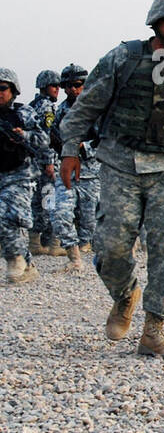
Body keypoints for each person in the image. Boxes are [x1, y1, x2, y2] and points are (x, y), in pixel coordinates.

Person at [57, 0, 164, 357]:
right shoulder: (123, 58)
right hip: (120, 163)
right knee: (111, 247)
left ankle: (154, 330)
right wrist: (70, 149)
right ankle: (125, 294)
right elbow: (87, 107)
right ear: (155, 24)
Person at [48, 63, 96, 272]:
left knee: (91, 221)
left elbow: (107, 138)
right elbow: (53, 139)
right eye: (67, 86)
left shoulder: (97, 108)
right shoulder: (62, 110)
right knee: (60, 213)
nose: (71, 90)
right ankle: (74, 258)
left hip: (93, 173)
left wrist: (84, 147)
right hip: (67, 171)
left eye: (77, 85)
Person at [1, 68, 47, 285]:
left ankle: (15, 260)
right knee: (9, 220)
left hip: (20, 175)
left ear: (13, 90)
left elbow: (43, 140)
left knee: (8, 217)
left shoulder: (24, 113)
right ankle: (26, 263)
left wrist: (24, 135)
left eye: (3, 88)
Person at [27, 69, 64, 257]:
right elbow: (47, 137)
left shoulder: (33, 105)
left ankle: (36, 241)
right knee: (48, 199)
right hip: (45, 162)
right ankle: (49, 243)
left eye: (59, 86)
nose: (58, 89)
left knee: (40, 200)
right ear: (44, 86)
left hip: (34, 162)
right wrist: (50, 162)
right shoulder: (46, 107)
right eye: (54, 86)